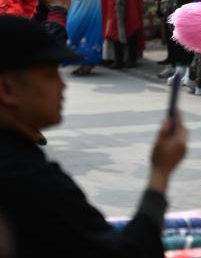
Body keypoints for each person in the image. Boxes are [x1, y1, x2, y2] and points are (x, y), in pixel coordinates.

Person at [0, 15, 187, 257]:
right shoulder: (32, 181)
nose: (62, 85)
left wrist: (58, 12)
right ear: (6, 89)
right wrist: (160, 174)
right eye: (49, 75)